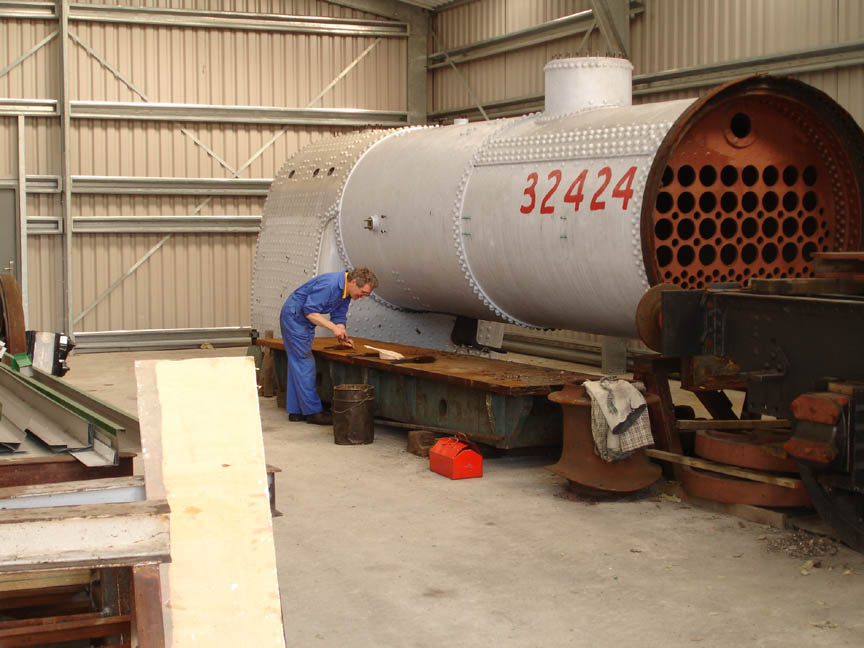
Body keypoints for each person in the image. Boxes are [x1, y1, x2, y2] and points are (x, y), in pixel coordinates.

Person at [279, 267, 378, 425]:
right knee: (305, 363)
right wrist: (333, 328)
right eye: (363, 292)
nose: (363, 297)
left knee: (297, 363)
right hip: (295, 318)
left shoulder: (346, 292)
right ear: (353, 282)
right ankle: (313, 412)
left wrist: (342, 335)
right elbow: (309, 311)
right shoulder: (330, 284)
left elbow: (339, 315)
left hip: (302, 320)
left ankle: (296, 412)